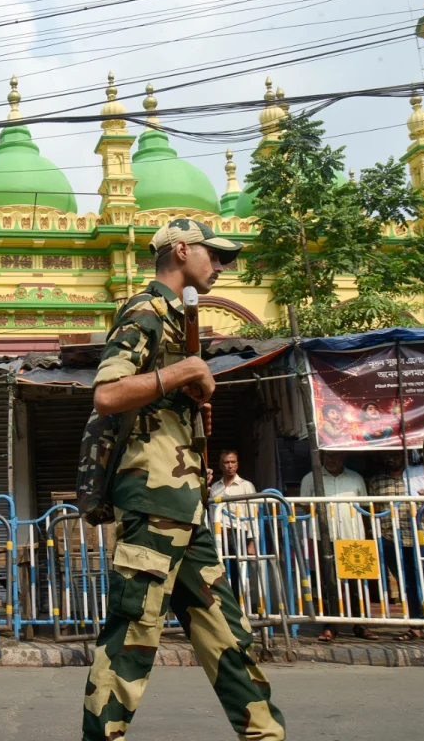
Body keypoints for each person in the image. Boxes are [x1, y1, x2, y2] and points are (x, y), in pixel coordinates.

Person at [81, 219, 285, 741]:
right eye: (212, 254)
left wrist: (192, 396)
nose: (219, 266)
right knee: (133, 635)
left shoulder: (180, 317)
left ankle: (265, 733)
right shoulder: (145, 311)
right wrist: (185, 371)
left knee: (227, 636)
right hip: (152, 502)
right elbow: (107, 393)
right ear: (179, 250)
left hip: (186, 507)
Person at [367, 452, 424, 642]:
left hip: (422, 538)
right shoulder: (376, 482)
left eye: (395, 455)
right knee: (408, 585)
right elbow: (373, 512)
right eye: (388, 456)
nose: (390, 458)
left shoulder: (418, 476)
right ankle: (416, 626)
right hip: (392, 541)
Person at [299, 450, 375, 641]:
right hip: (323, 537)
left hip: (352, 535)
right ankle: (330, 626)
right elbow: (304, 505)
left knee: (357, 582)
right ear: (322, 459)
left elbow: (364, 508)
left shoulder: (356, 478)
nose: (332, 460)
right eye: (328, 457)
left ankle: (361, 624)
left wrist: (366, 536)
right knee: (327, 583)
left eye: (336, 457)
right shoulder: (311, 478)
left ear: (344, 458)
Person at [209, 450, 258, 610]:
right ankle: (225, 610)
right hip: (218, 536)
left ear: (237, 464)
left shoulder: (245, 486)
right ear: (220, 465)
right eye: (226, 463)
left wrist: (252, 541)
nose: (230, 466)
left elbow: (253, 514)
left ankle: (241, 610)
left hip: (238, 534)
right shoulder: (215, 488)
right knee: (220, 574)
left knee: (239, 574)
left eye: (233, 462)